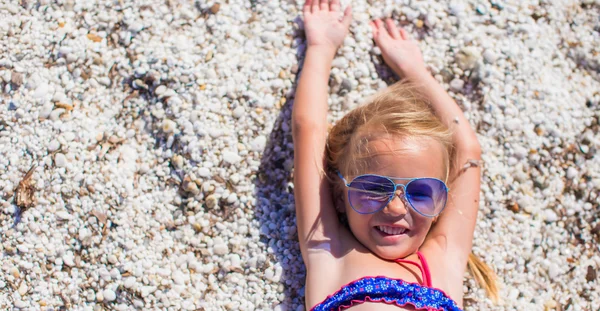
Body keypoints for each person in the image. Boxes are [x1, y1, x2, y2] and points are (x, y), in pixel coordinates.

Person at [291, 0, 498, 310]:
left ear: (441, 204)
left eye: (420, 192)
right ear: (339, 195)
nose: (395, 207)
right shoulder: (330, 250)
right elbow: (308, 130)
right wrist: (321, 48)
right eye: (373, 187)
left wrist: (417, 72)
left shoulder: (445, 256)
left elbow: (468, 152)